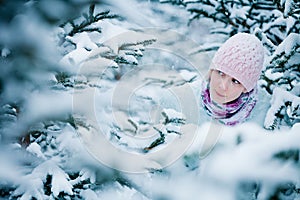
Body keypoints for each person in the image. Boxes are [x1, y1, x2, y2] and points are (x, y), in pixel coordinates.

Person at [200, 32, 265, 126]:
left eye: (235, 81)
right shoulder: (182, 100)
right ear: (211, 72)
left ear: (246, 88)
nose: (223, 86)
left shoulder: (265, 117)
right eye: (220, 73)